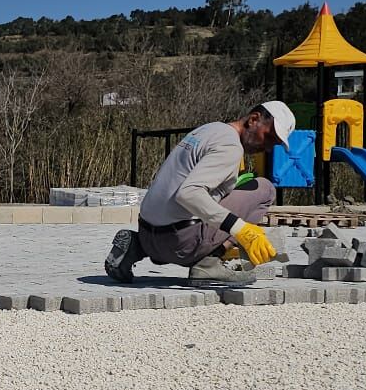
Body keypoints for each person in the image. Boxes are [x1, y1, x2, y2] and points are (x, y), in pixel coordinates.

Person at [104, 101, 295, 283]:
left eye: (274, 143)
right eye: (269, 136)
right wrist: (240, 229)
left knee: (228, 192)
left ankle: (135, 247)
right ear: (254, 119)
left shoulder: (210, 129)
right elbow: (189, 194)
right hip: (179, 245)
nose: (268, 147)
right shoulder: (231, 147)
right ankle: (209, 262)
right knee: (263, 189)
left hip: (147, 234)